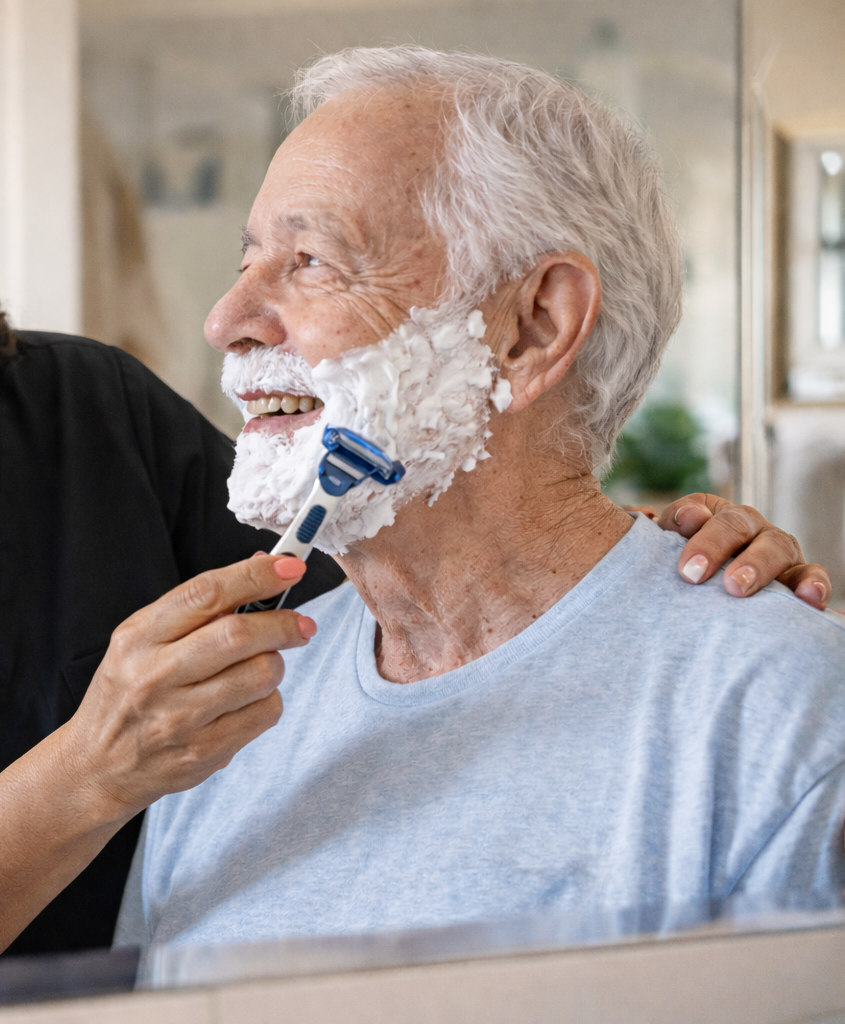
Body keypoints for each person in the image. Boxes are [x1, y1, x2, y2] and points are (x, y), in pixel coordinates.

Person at [0, 19, 828, 980]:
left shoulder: (85, 415)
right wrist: (93, 772)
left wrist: (664, 569)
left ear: (538, 320)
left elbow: (421, 559)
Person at [117, 47, 845, 953]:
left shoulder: (785, 718)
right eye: (249, 260)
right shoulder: (220, 722)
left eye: (309, 261)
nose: (225, 320)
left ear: (533, 328)